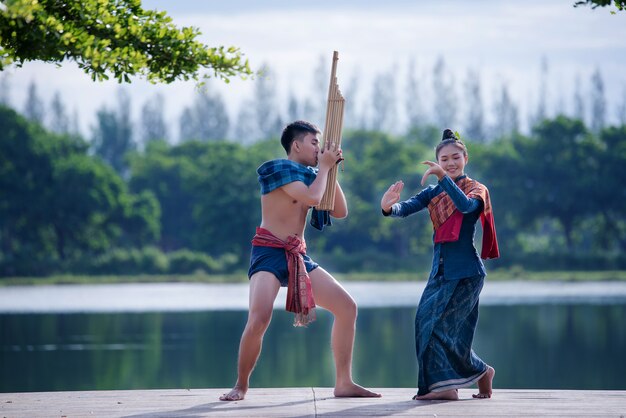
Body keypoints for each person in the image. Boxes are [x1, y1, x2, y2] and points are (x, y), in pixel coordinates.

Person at [220, 120, 381, 401]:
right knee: (259, 318)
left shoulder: (313, 174)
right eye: (314, 143)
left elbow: (340, 210)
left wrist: (329, 171)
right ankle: (240, 385)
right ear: (296, 145)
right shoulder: (278, 170)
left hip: (297, 253)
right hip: (269, 251)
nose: (319, 148)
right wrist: (325, 169)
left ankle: (344, 382)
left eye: (321, 144)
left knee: (347, 307)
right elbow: (311, 196)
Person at [380, 129, 499, 401]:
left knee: (442, 330)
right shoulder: (433, 192)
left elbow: (467, 207)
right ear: (437, 160)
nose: (450, 163)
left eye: (455, 157)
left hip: (467, 273)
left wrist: (444, 179)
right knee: (425, 323)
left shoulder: (476, 189)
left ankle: (445, 389)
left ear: (466, 158)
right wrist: (388, 208)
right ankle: (479, 373)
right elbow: (406, 207)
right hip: (440, 272)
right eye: (444, 160)